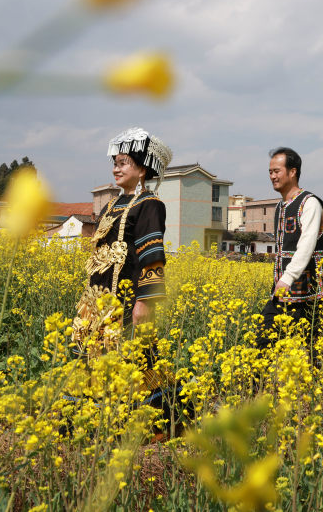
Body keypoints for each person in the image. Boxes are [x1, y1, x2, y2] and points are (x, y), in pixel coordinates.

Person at [70, 127, 182, 436]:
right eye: (115, 163)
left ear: (142, 169)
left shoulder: (150, 205)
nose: (115, 169)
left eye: (123, 163)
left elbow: (152, 256)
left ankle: (155, 427)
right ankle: (91, 424)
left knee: (137, 362)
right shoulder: (109, 206)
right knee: (90, 359)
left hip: (126, 300)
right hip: (96, 301)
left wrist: (145, 301)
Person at [258, 147, 323, 360]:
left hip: (313, 292)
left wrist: (287, 277)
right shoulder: (280, 207)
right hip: (285, 290)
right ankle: (258, 389)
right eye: (270, 172)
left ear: (293, 172)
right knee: (263, 339)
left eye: (277, 171)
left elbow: (307, 244)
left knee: (315, 349)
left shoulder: (309, 203)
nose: (272, 176)